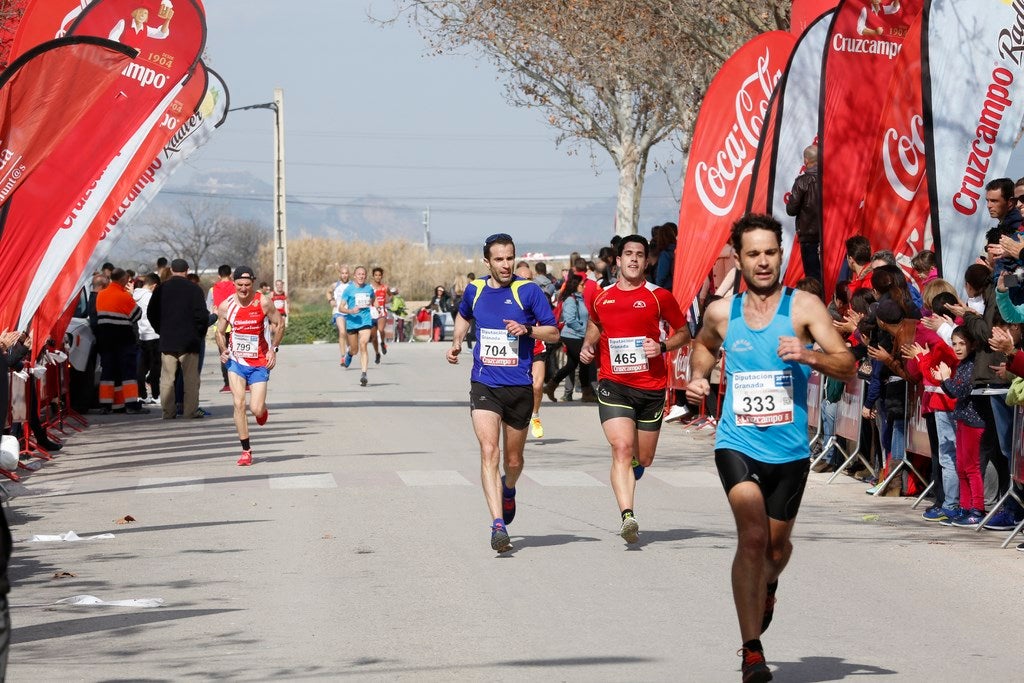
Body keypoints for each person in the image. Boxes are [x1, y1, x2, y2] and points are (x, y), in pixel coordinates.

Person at [686, 213, 855, 683]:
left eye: (771, 252)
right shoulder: (723, 312)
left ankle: (771, 582)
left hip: (790, 451)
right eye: (754, 253)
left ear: (782, 255)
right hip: (737, 441)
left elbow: (848, 365)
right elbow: (702, 346)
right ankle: (752, 651)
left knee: (776, 550)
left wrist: (809, 355)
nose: (763, 262)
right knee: (753, 537)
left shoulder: (805, 308)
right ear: (737, 259)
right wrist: (698, 378)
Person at [445, 233, 559, 553]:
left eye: (510, 258)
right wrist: (456, 342)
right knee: (489, 451)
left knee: (513, 459)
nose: (506, 264)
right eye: (499, 259)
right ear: (487, 262)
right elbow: (464, 315)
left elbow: (553, 332)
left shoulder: (529, 292)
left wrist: (529, 330)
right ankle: (497, 525)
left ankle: (509, 489)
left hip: (519, 386)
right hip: (484, 382)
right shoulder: (476, 289)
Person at [580, 234, 690, 544]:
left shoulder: (659, 296)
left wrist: (663, 346)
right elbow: (595, 323)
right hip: (614, 385)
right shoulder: (602, 296)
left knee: (644, 458)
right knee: (621, 448)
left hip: (651, 388)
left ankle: (634, 468)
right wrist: (588, 347)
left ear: (646, 261)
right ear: (617, 260)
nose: (633, 259)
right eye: (628, 254)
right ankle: (628, 516)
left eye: (640, 255)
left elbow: (684, 332)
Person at [214, 266, 284, 466]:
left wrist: (273, 349)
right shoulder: (226, 306)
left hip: (259, 362)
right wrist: (223, 350)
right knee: (238, 403)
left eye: (247, 285)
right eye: (239, 285)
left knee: (256, 408)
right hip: (236, 361)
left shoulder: (262, 301)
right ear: (233, 284)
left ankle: (262, 412)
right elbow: (219, 332)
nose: (243, 289)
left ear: (252, 283)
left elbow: (279, 324)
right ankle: (246, 451)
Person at [147, 259, 209, 420]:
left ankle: (168, 412)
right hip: (189, 342)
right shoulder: (194, 289)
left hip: (168, 340)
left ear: (172, 270)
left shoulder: (161, 289)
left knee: (167, 379)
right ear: (187, 270)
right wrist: (199, 333)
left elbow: (151, 313)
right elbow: (202, 316)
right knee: (191, 380)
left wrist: (160, 330)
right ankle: (190, 412)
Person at [95, 268, 146, 414]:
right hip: (123, 339)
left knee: (108, 373)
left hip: (105, 339)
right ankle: (130, 404)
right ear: (123, 280)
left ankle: (108, 405)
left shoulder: (101, 295)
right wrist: (130, 296)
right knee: (128, 372)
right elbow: (136, 315)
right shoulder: (124, 296)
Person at [516, 262, 549, 438]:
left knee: (537, 386)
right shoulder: (506, 297)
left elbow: (548, 323)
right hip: (514, 350)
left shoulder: (537, 297)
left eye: (529, 279)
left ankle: (535, 415)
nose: (526, 282)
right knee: (519, 389)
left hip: (536, 347)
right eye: (522, 278)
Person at [786, 145, 822, 283]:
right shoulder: (830, 179)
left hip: (809, 235)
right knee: (829, 273)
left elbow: (791, 210)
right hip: (828, 234)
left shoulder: (802, 182)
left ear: (806, 161)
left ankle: (817, 301)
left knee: (812, 275)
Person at [338, 266, 376, 386]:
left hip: (365, 321)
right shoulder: (349, 290)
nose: (361, 276)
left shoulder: (369, 288)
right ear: (354, 276)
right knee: (355, 349)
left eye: (363, 274)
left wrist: (376, 306)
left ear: (365, 276)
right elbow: (341, 307)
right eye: (359, 274)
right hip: (352, 321)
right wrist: (351, 311)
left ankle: (364, 374)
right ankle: (349, 354)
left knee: (363, 343)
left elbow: (373, 300)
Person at [134, 272, 161, 405]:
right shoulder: (151, 297)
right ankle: (156, 394)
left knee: (141, 367)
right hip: (154, 334)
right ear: (154, 286)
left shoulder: (134, 295)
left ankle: (141, 394)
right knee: (156, 367)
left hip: (141, 335)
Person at [210, 265, 235, 393]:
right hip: (235, 325)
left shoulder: (212, 289)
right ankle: (244, 383)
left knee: (224, 354)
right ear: (230, 274)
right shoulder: (237, 287)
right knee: (238, 353)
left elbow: (210, 307)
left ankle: (227, 384)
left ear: (219, 275)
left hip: (220, 326)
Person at [328, 265, 351, 366]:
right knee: (342, 332)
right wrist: (331, 300)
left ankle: (349, 348)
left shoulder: (352, 285)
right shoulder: (335, 285)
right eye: (343, 273)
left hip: (350, 312)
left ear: (349, 274)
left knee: (349, 334)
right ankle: (343, 357)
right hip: (338, 312)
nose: (344, 275)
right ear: (340, 274)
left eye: (346, 273)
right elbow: (328, 292)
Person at [370, 267, 390, 363]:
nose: (378, 277)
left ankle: (382, 343)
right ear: (373, 276)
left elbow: (390, 295)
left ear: (382, 276)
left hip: (382, 311)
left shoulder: (385, 287)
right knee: (373, 337)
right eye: (376, 275)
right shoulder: (369, 287)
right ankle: (377, 353)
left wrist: (388, 301)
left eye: (379, 275)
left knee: (381, 329)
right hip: (371, 312)